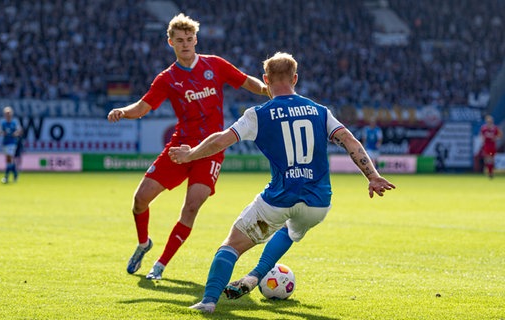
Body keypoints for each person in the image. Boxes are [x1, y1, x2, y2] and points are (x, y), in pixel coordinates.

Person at [168, 52, 396, 313]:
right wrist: (373, 176)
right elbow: (350, 141)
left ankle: (208, 302)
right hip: (318, 204)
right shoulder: (320, 112)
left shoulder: (258, 114)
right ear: (295, 79)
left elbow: (220, 140)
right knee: (289, 230)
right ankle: (254, 276)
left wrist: (190, 154)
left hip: (278, 201)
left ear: (265, 80)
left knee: (231, 246)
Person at [107, 13, 270, 280]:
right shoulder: (167, 79)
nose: (185, 44)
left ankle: (159, 266)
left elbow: (244, 80)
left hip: (211, 149)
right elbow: (142, 107)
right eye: (180, 40)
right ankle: (143, 243)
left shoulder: (214, 65)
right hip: (179, 148)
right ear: (170, 42)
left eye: (190, 39)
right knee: (140, 200)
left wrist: (266, 90)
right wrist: (122, 111)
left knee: (191, 206)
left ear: (196, 40)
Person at [0, 106, 22, 184]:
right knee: (10, 161)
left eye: (9, 113)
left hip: (12, 143)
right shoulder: (3, 123)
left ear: (11, 114)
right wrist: (1, 133)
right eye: (6, 113)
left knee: (9, 159)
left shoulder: (15, 122)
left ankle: (6, 177)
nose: (8, 115)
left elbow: (20, 131)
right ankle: (15, 174)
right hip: (5, 143)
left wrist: (16, 133)